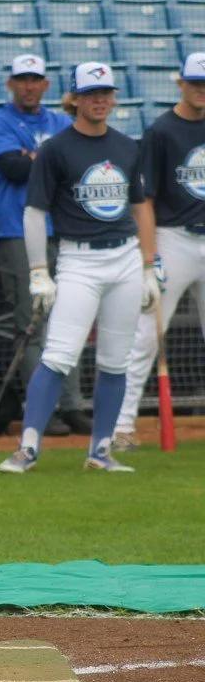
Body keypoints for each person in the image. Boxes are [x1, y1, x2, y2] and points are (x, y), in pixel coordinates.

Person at [0, 62, 160, 474]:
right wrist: (39, 270)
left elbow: (140, 206)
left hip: (124, 256)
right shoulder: (55, 148)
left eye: (105, 92)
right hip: (79, 258)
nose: (99, 100)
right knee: (59, 355)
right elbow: (34, 212)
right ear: (74, 99)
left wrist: (148, 265)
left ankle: (100, 450)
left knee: (115, 360)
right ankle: (28, 447)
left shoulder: (127, 146)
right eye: (91, 93)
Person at [0, 55, 91, 437]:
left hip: (65, 230)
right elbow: (14, 167)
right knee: (32, 325)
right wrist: (50, 159)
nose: (29, 86)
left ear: (46, 85)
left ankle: (73, 405)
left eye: (36, 79)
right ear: (10, 84)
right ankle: (41, 410)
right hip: (17, 231)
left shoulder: (59, 121)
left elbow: (79, 163)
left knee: (71, 320)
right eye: (22, 79)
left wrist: (36, 157)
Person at [113, 52, 205, 451]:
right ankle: (121, 427)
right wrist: (149, 259)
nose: (201, 89)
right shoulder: (161, 131)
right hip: (173, 237)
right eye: (195, 82)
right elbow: (144, 200)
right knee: (146, 336)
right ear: (180, 83)